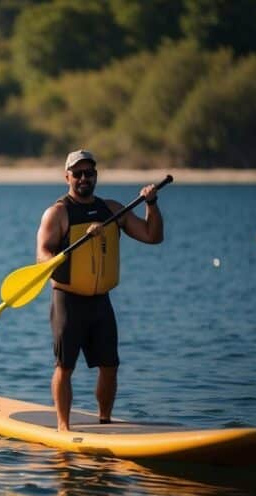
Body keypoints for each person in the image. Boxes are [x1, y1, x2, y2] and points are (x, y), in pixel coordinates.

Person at [35, 149, 164, 431]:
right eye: (77, 173)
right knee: (65, 367)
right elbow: (42, 256)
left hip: (100, 303)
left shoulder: (112, 210)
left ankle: (105, 421)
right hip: (67, 301)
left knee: (110, 365)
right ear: (66, 176)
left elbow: (153, 236)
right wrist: (74, 245)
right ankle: (63, 427)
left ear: (96, 175)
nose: (83, 178)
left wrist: (151, 205)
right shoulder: (57, 213)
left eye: (89, 173)